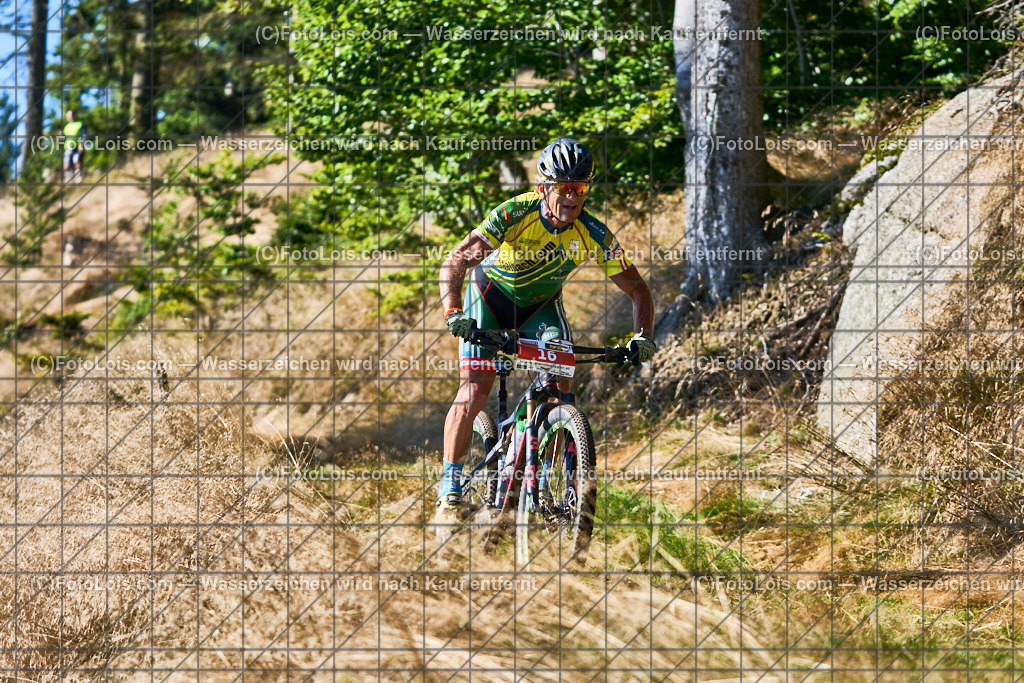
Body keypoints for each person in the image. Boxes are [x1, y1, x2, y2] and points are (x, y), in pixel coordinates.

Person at [434, 137, 656, 530]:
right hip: (489, 299)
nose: (572, 197)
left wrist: (642, 336)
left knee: (562, 388)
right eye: (564, 188)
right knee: (475, 391)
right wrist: (453, 312)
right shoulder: (515, 212)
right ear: (543, 188)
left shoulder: (593, 233)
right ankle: (449, 491)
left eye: (581, 188)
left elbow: (637, 288)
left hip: (540, 308)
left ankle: (553, 482)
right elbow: (456, 261)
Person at [62, 111, 87, 184]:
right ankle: (68, 178)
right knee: (66, 162)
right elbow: (64, 137)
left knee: (77, 160)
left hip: (78, 145)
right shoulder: (66, 126)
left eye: (70, 115)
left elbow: (84, 135)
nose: (68, 117)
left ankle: (78, 177)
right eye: (67, 115)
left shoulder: (80, 124)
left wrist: (82, 144)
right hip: (68, 146)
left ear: (74, 115)